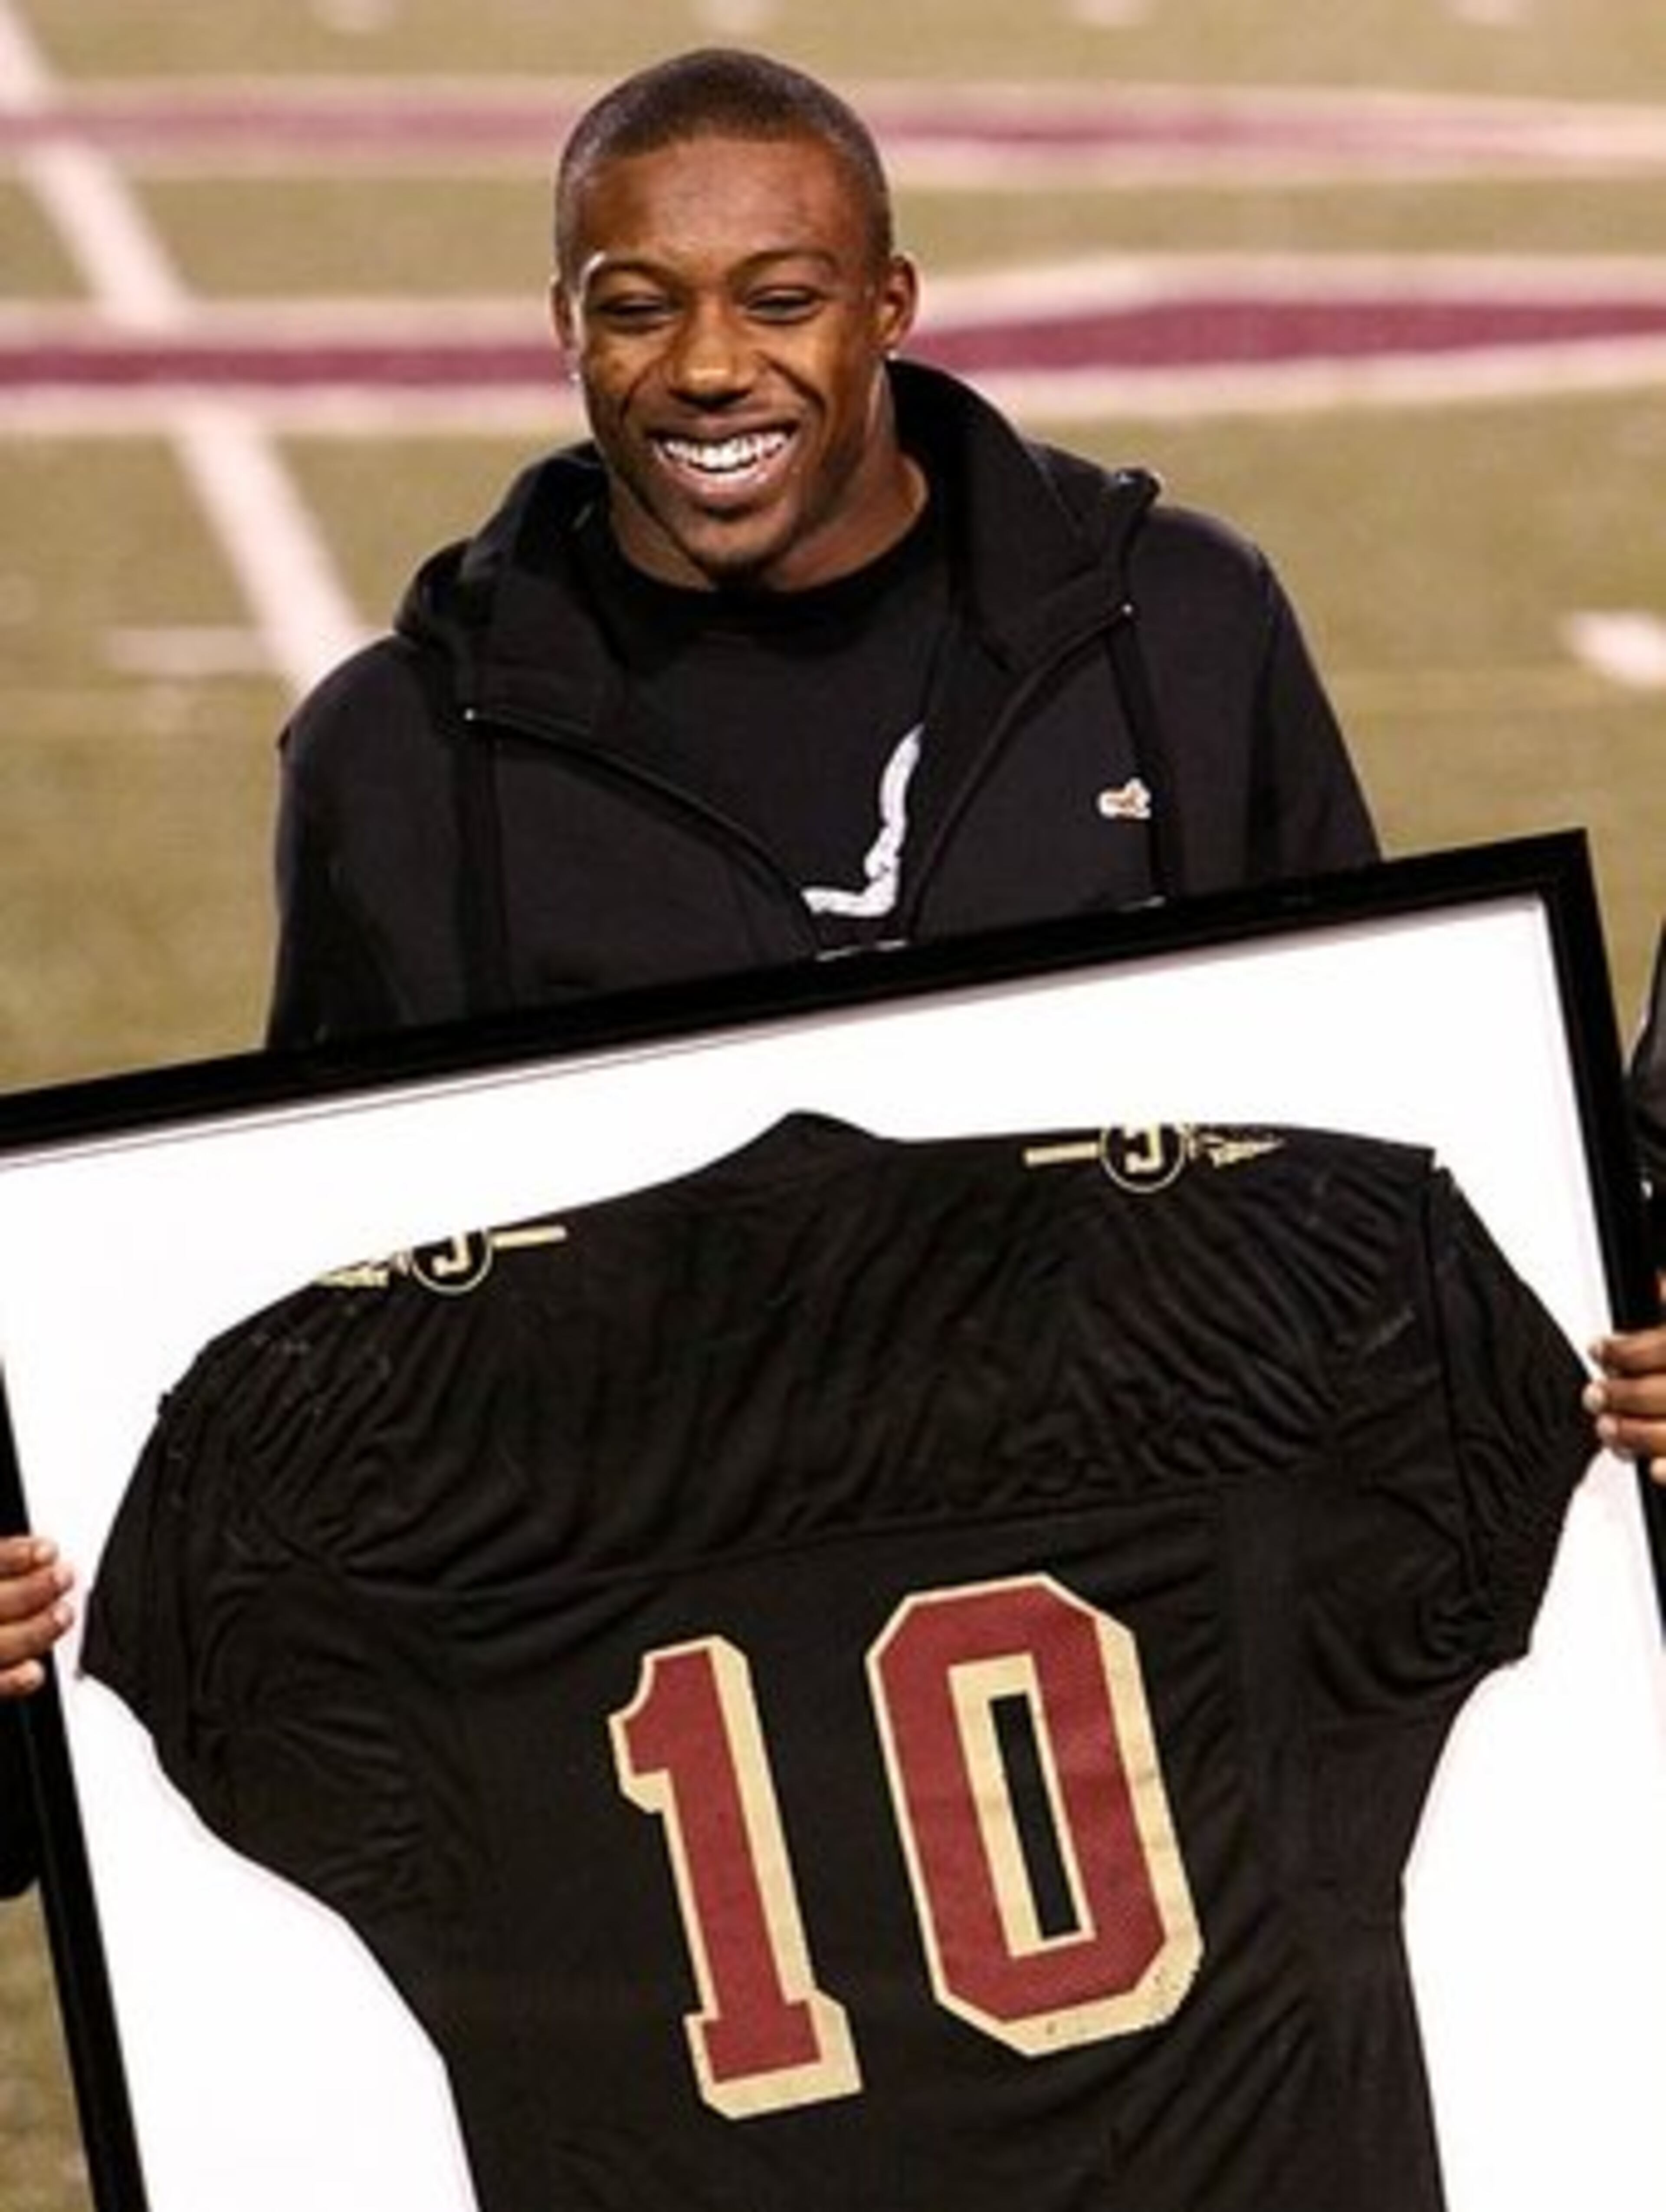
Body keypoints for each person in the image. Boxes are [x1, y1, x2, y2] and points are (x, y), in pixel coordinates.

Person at [3, 44, 1663, 1891]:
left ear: (891, 306)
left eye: (781, 300)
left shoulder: (1180, 628)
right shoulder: (397, 756)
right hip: (696, 1774)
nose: (711, 367)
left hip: (1166, 1726)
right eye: (640, 308)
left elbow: (1361, 1176)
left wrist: (1608, 1382)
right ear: (564, 320)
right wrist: (52, 1598)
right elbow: (354, 1343)